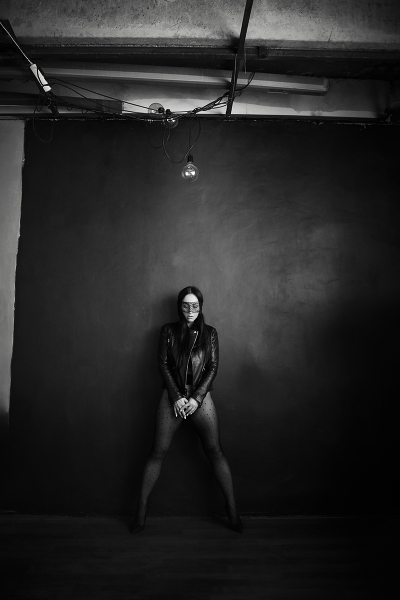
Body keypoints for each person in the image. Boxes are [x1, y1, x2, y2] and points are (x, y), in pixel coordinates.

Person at [131, 286, 242, 534]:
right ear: (179, 307)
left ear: (201, 307)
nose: (190, 310)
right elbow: (163, 364)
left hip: (200, 399)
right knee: (157, 452)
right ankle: (141, 509)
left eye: (195, 306)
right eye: (185, 305)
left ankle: (232, 509)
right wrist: (176, 397)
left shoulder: (210, 333)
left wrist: (197, 398)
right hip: (174, 398)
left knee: (215, 451)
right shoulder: (168, 331)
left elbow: (213, 366)